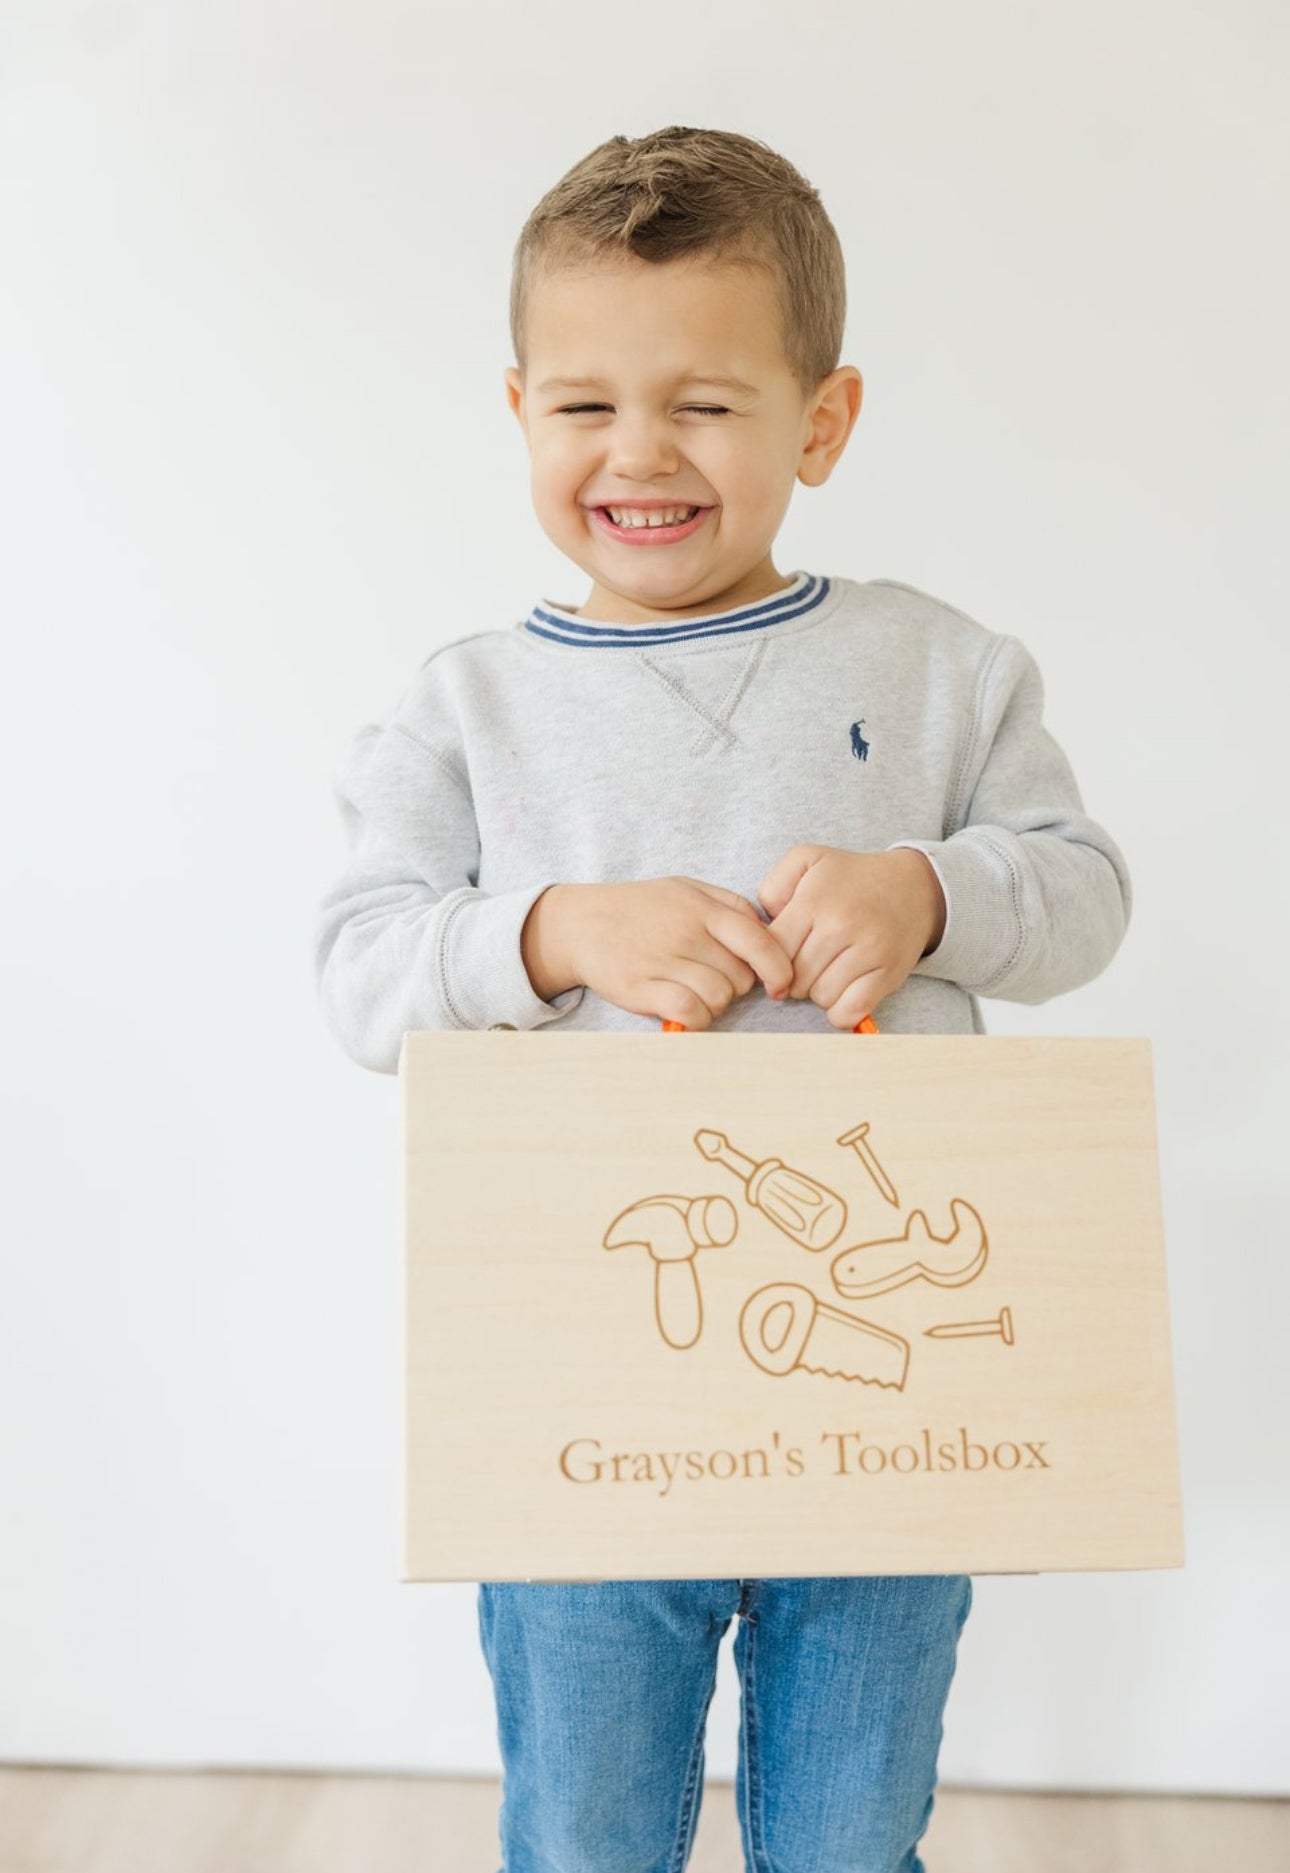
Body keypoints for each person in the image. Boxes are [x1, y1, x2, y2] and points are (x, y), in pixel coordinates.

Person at [314, 126, 1132, 1873]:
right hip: (576, 1396)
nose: (638, 451)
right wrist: (549, 934)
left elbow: (1081, 896)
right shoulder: (465, 707)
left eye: (702, 402)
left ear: (821, 422)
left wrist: (929, 891)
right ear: (518, 411)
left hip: (890, 1414)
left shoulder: (942, 667)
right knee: (586, 1831)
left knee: (848, 1835)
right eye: (584, 404)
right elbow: (361, 969)